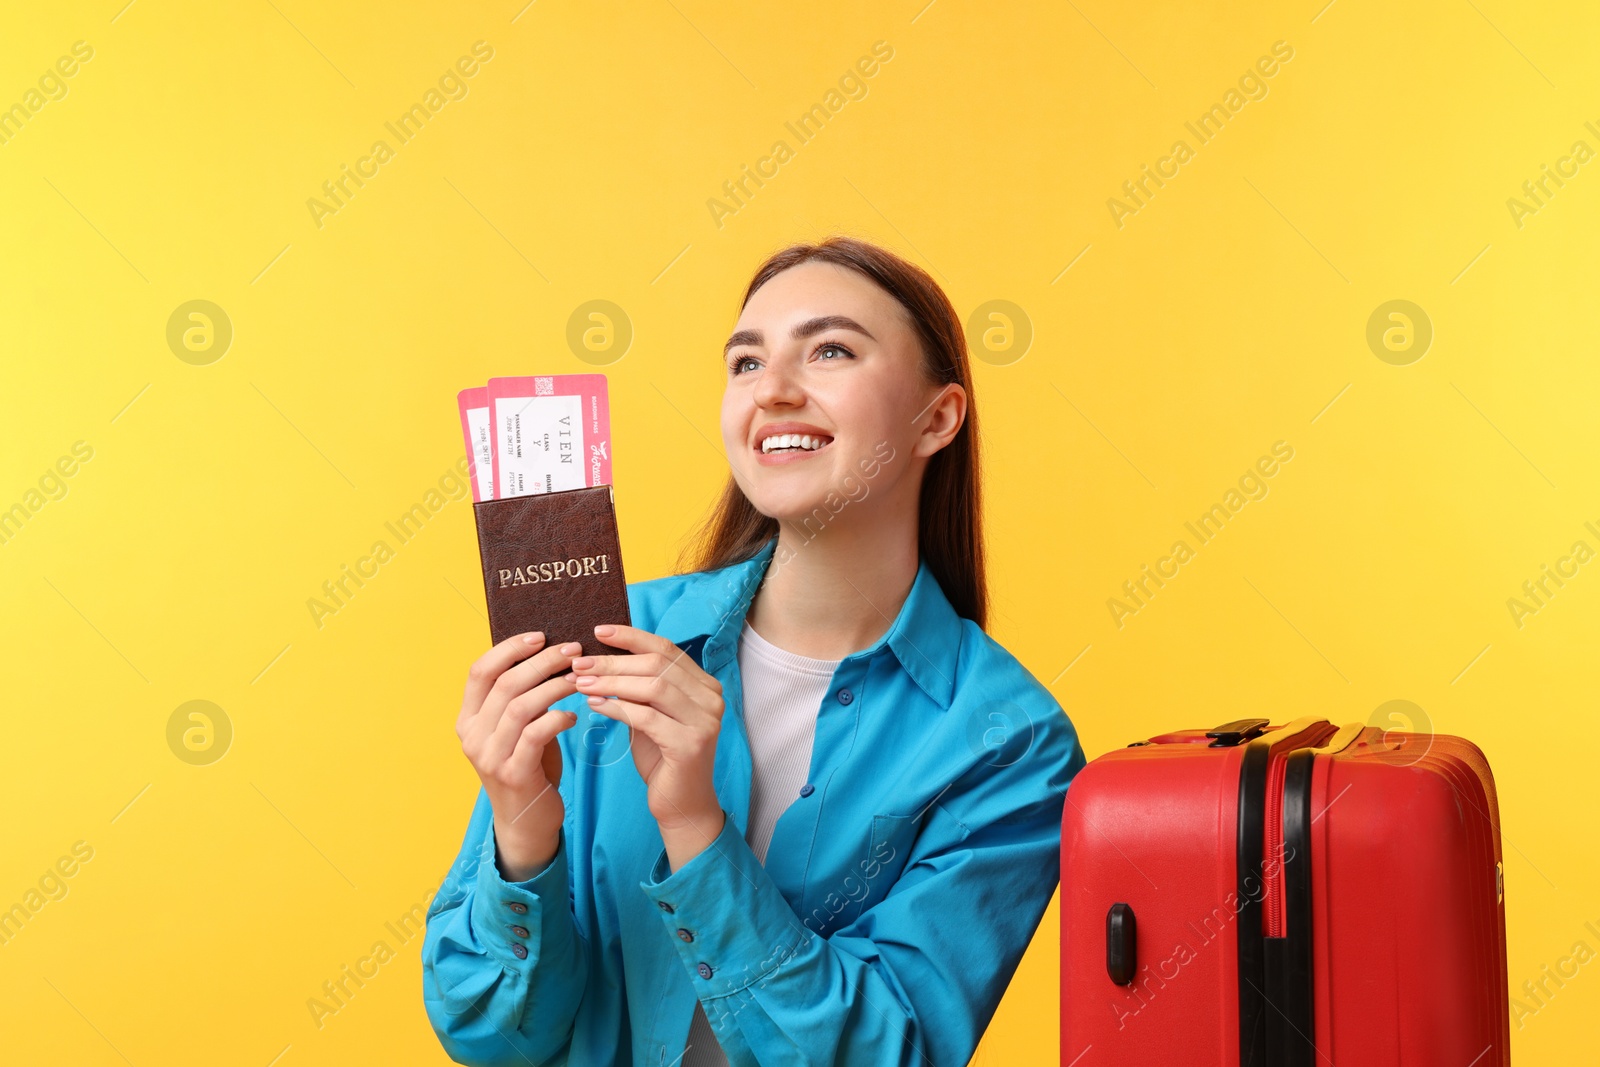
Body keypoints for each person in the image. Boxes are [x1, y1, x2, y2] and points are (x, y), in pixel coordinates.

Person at [422, 235, 1086, 1066]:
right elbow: (489, 1037)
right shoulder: (607, 640)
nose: (771, 391)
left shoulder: (1009, 741)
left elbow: (883, 1052)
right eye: (744, 363)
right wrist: (525, 830)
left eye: (831, 350)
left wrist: (697, 826)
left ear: (937, 418)